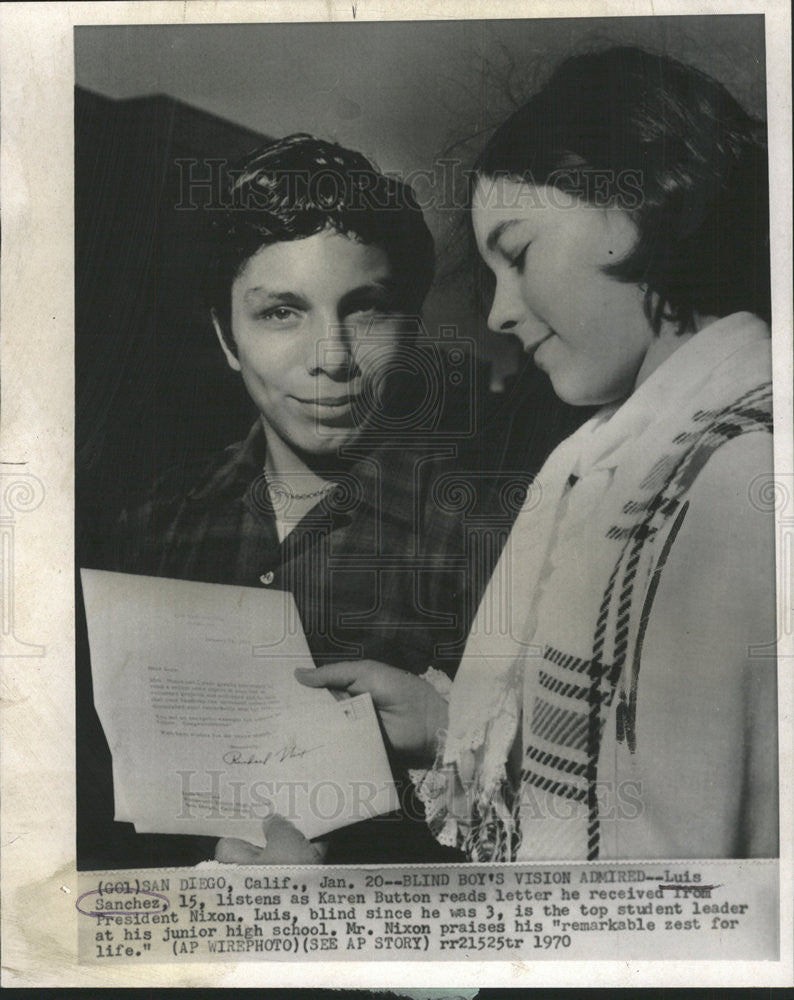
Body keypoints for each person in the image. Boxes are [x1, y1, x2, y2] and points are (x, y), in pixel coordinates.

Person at [297, 47, 778, 861]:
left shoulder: (738, 476)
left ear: (633, 212)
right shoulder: (618, 454)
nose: (501, 315)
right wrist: (441, 719)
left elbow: (666, 901)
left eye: (517, 256)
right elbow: (618, 759)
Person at [77, 134, 479, 868]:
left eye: (366, 310)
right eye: (280, 313)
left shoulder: (484, 532)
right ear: (226, 337)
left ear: (412, 326)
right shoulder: (144, 526)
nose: (330, 357)